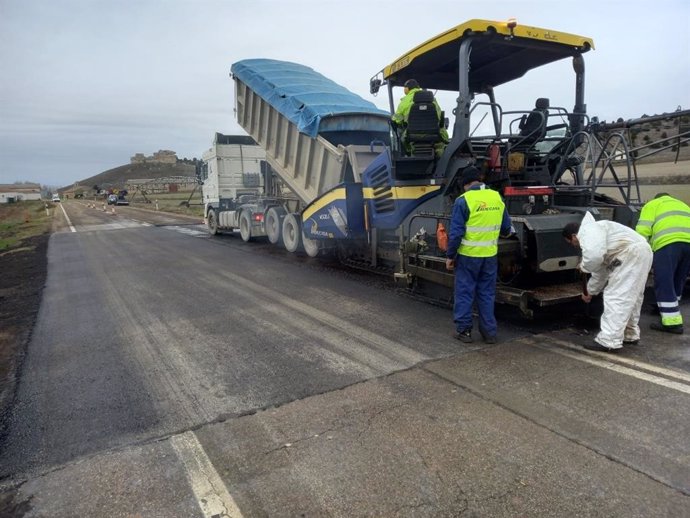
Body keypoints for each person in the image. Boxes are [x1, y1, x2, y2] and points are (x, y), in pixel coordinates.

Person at [563, 212, 653, 352]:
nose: (574, 245)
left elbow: (593, 258)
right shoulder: (599, 232)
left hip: (629, 253)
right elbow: (601, 271)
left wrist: (583, 266)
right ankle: (630, 333)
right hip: (641, 251)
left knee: (617, 297)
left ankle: (609, 340)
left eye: (571, 242)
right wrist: (591, 292)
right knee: (633, 296)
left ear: (574, 236)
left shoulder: (588, 232)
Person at [445, 166, 513, 343]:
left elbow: (456, 233)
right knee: (486, 294)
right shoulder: (496, 197)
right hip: (490, 256)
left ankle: (464, 331)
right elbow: (506, 228)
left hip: (468, 256)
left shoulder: (463, 200)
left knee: (465, 292)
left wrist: (450, 256)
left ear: (466, 184)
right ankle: (489, 333)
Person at [635, 193, 690, 334]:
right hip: (688, 245)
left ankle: (672, 323)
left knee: (664, 281)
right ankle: (669, 311)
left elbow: (642, 231)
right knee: (678, 279)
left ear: (656, 198)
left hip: (668, 244)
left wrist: (640, 254)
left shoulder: (652, 205)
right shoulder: (682, 204)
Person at [392, 79, 448, 155]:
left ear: (407, 88)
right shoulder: (433, 100)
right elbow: (439, 116)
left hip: (413, 136)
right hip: (434, 134)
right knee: (441, 148)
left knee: (403, 139)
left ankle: (410, 154)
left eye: (404, 87)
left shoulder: (404, 102)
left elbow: (396, 120)